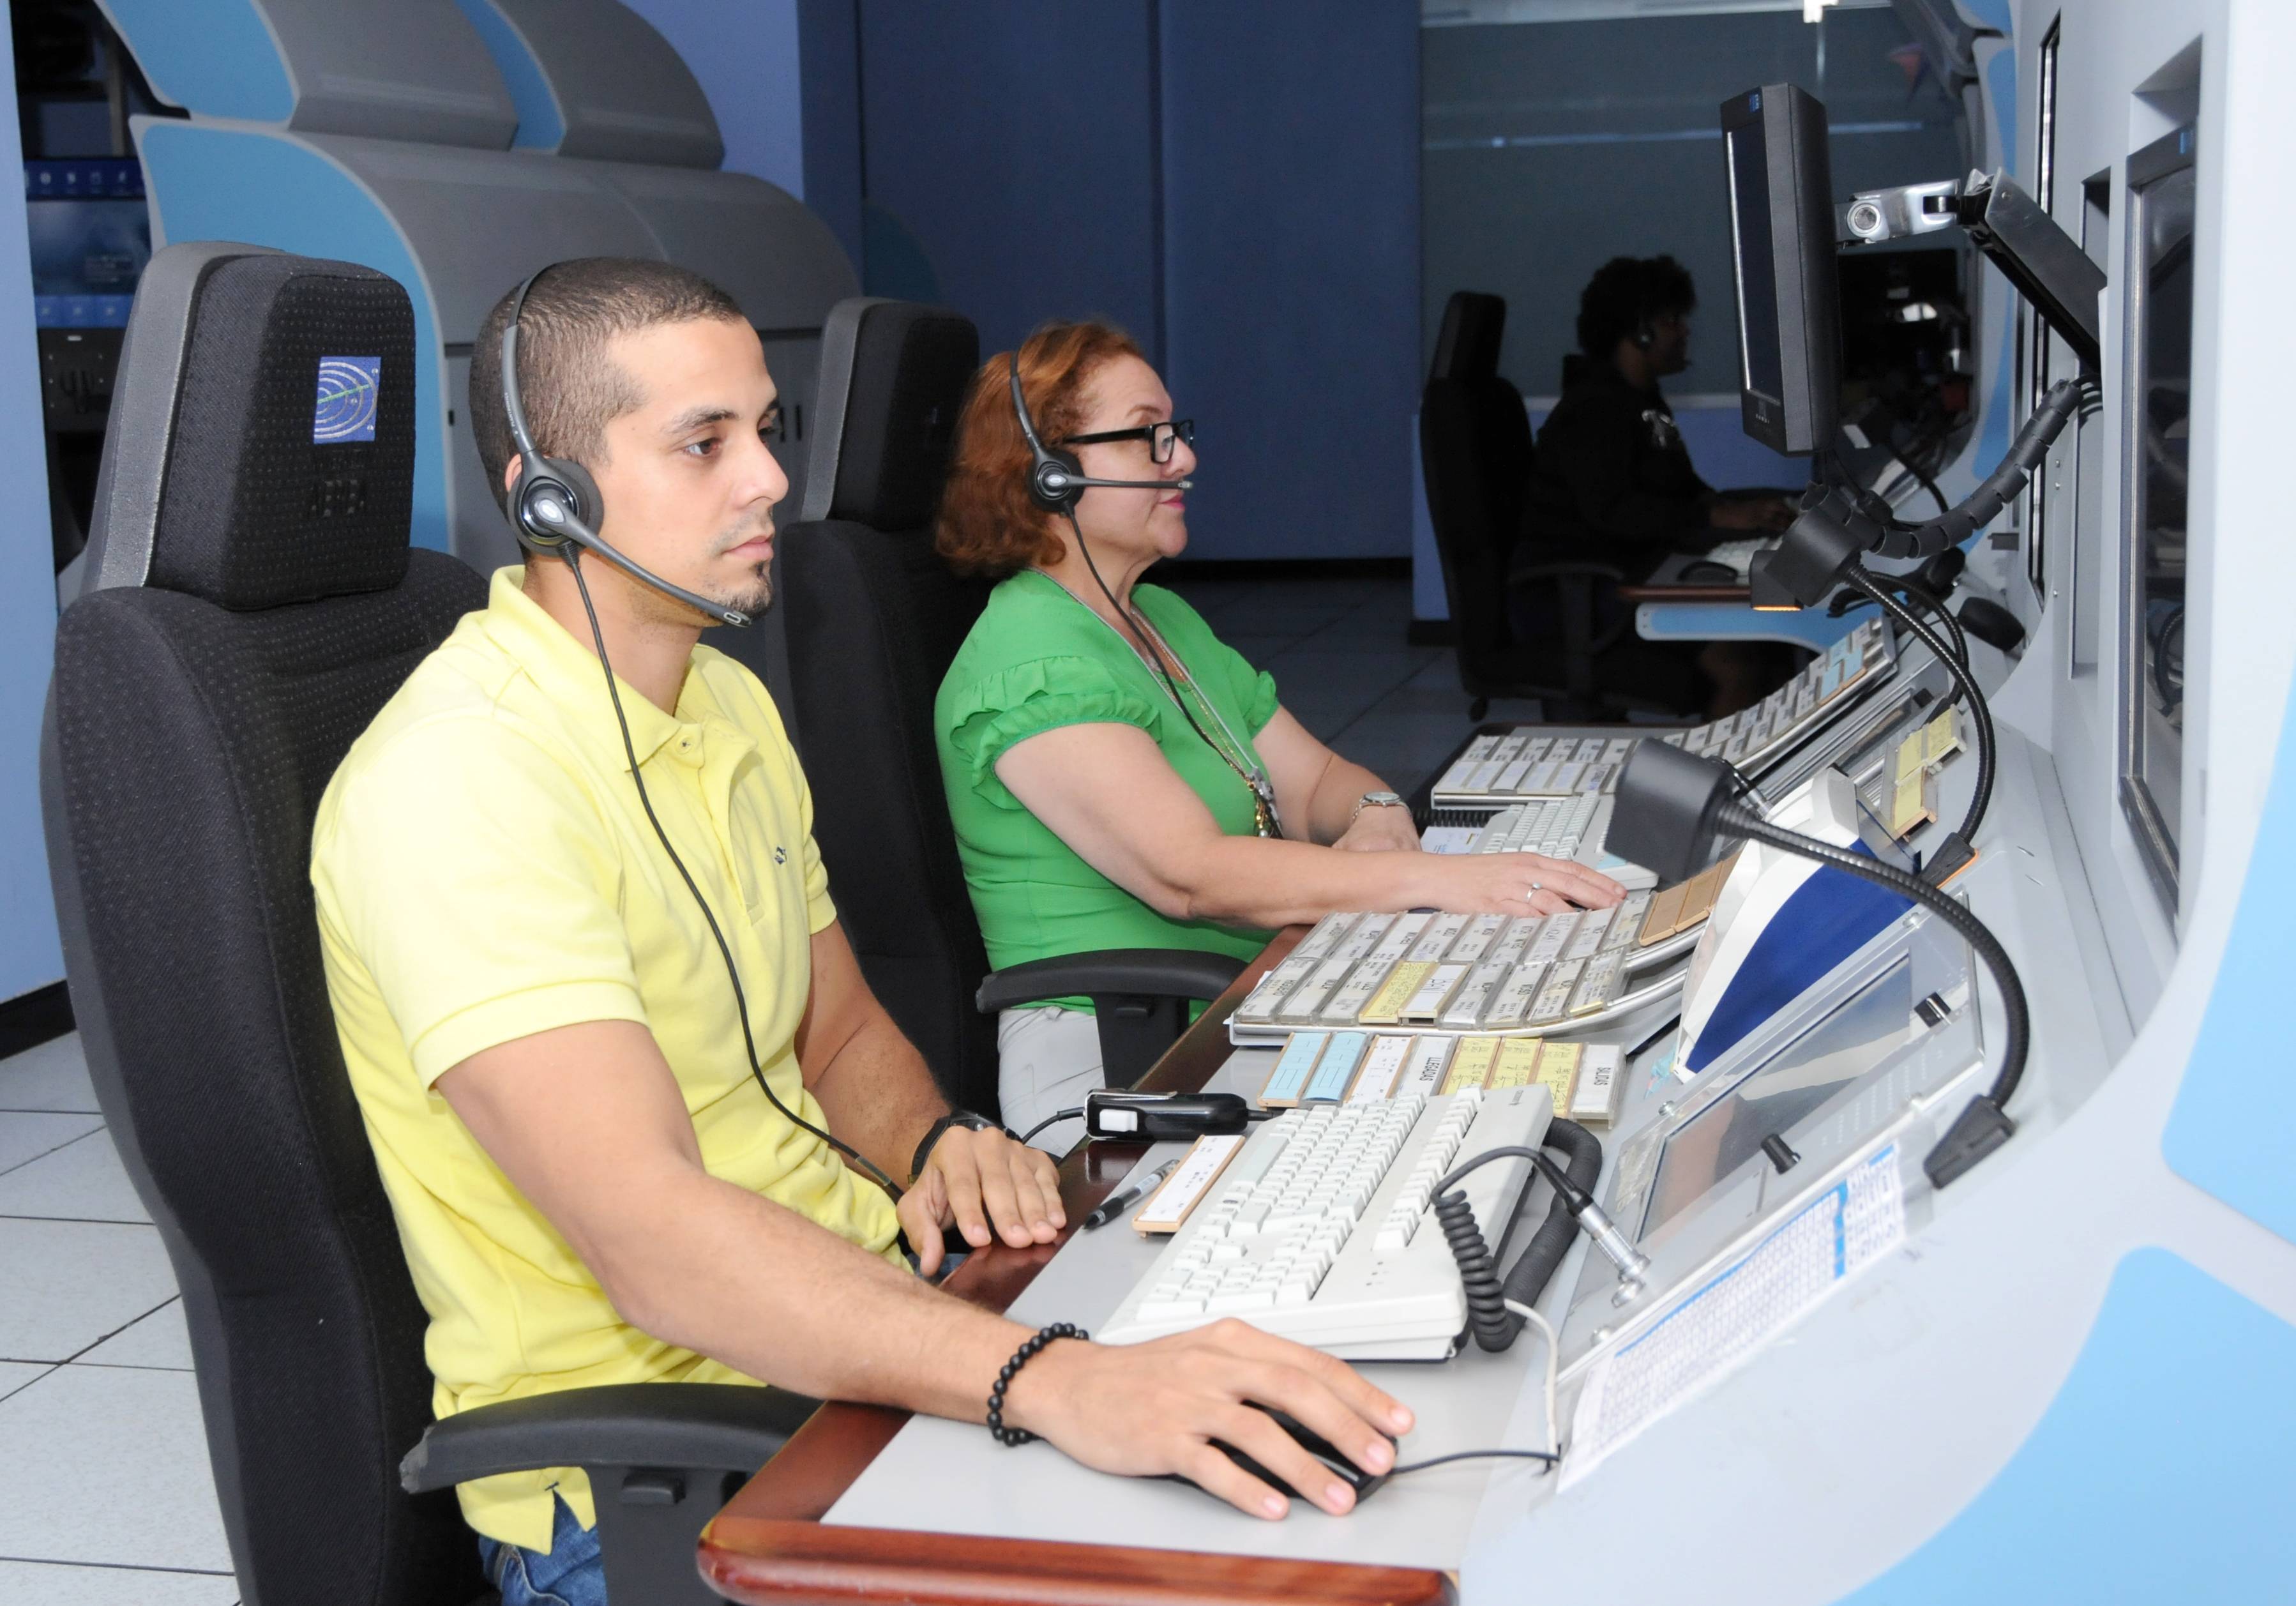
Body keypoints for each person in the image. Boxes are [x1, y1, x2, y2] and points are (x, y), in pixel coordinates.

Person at [312, 261, 1419, 1603]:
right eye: (703, 443)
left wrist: (935, 1140)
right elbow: (652, 1240)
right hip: (668, 1485)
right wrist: (1050, 1381)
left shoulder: (723, 704)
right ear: (551, 497)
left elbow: (831, 1026)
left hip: (861, 1330)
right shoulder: (461, 784)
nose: (769, 479)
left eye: (764, 430)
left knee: (1323, 1483)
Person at [933, 322, 1625, 1144]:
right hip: (1120, 1065)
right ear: (1049, 474)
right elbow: (1189, 876)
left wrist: (1371, 815)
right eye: (1148, 437)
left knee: (1526, 1071)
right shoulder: (1029, 663)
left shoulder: (1158, 618)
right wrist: (1437, 879)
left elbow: (1316, 778)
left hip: (1240, 1002)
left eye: (1175, 434)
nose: (1181, 458)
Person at [1516, 255, 1798, 713]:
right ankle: (1730, 783)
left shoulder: (1641, 402)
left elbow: (1679, 489)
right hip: (1581, 596)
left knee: (1771, 637)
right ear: (1639, 330)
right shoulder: (1595, 409)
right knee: (1739, 664)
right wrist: (1715, 516)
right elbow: (1615, 511)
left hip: (1626, 573)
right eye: (1673, 320)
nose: (1684, 331)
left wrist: (1746, 511)